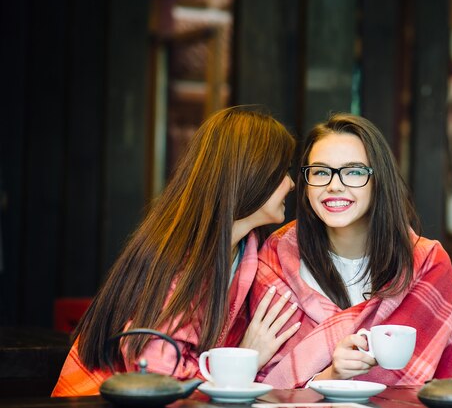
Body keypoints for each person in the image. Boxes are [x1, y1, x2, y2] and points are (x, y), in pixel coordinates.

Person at [52, 106, 301, 396]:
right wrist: (245, 357)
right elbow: (159, 376)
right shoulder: (182, 261)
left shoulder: (243, 249)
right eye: (283, 171)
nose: (292, 183)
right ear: (254, 173)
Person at [250, 113, 452, 388]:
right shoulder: (277, 260)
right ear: (305, 186)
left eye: (353, 171)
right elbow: (260, 384)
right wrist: (330, 376)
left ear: (379, 181)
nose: (335, 185)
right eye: (320, 172)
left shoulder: (426, 264)